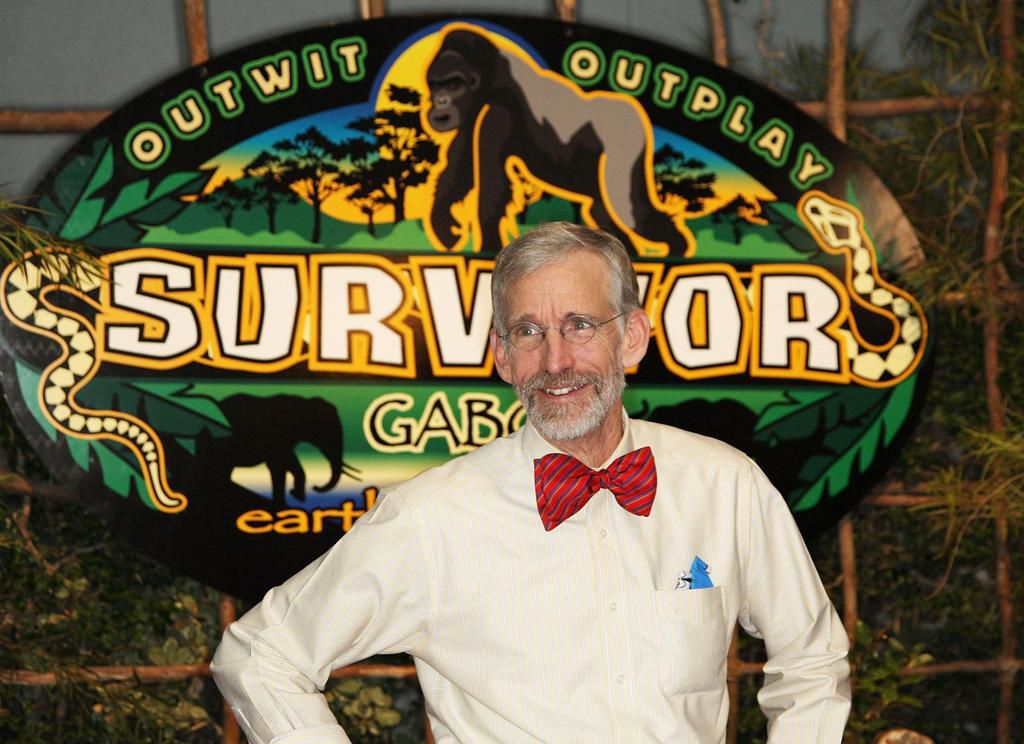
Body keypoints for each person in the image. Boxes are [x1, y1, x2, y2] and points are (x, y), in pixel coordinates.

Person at [212, 222, 851, 743]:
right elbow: (260, 654)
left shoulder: (725, 485)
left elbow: (814, 659)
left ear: (631, 337)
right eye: (528, 332)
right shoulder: (432, 518)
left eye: (580, 325)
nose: (555, 360)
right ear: (501, 354)